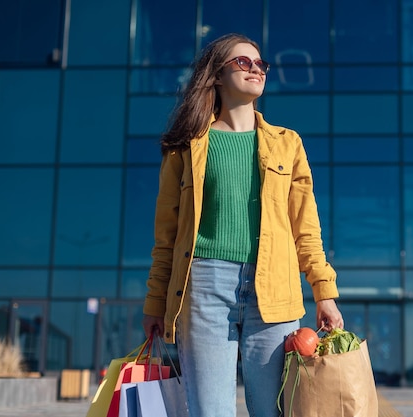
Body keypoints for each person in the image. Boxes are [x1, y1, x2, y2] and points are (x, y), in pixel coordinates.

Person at [141, 33, 343, 417]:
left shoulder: (288, 144)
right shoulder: (185, 146)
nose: (256, 69)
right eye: (243, 62)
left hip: (276, 290)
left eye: (260, 64)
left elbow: (306, 229)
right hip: (203, 288)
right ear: (216, 75)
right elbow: (166, 237)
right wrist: (155, 302)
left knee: (275, 411)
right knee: (211, 411)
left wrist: (324, 292)